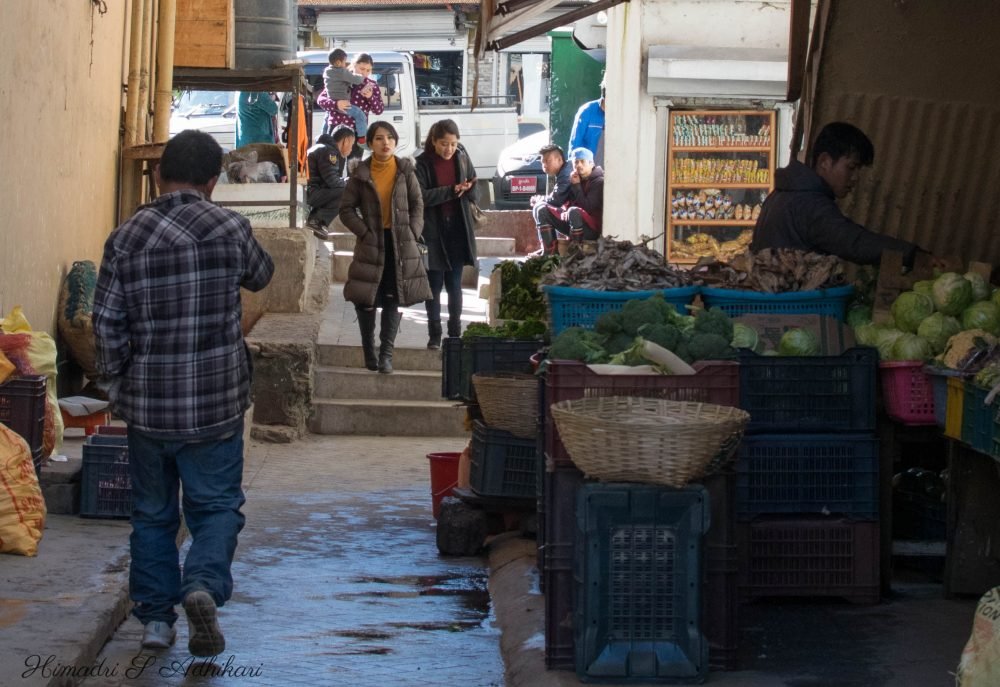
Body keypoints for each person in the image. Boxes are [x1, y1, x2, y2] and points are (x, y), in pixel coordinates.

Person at [92, 130, 275, 657]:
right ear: (213, 182)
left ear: (157, 174)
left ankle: (155, 622)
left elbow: (106, 325)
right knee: (216, 508)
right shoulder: (230, 226)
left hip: (149, 405)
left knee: (152, 514)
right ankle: (201, 586)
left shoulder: (127, 235)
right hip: (216, 402)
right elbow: (263, 276)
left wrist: (117, 384)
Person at [751, 121, 930, 266]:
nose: (855, 178)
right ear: (825, 162)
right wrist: (912, 255)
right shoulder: (808, 202)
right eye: (851, 168)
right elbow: (853, 243)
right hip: (790, 306)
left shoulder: (783, 194)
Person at [339, 121, 432, 374]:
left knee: (393, 297)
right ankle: (368, 349)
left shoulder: (405, 170)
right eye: (379, 138)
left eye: (390, 137)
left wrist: (412, 232)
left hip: (398, 244)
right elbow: (346, 209)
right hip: (371, 243)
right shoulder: (360, 173)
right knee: (365, 299)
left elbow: (417, 205)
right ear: (370, 143)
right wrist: (364, 231)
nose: (386, 143)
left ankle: (386, 354)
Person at [414, 119, 479, 348]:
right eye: (444, 144)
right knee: (433, 285)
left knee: (454, 284)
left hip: (458, 230)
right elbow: (421, 197)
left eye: (453, 143)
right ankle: (434, 335)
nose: (449, 149)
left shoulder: (461, 156)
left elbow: (474, 185)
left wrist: (470, 189)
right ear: (434, 141)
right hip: (431, 231)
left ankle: (454, 334)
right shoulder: (421, 163)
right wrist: (451, 191)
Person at [317, 53, 384, 153]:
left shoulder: (372, 85)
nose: (364, 73)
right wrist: (336, 104)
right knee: (331, 164)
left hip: (357, 132)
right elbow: (320, 100)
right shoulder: (339, 78)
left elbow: (379, 110)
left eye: (368, 70)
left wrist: (370, 97)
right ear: (353, 65)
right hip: (335, 127)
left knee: (354, 166)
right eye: (362, 69)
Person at [305, 124, 357, 240]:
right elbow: (332, 182)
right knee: (347, 192)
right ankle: (316, 221)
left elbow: (330, 179)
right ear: (345, 141)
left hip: (309, 191)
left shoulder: (323, 148)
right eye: (352, 144)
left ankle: (316, 220)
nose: (351, 149)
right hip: (311, 193)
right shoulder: (329, 152)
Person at [530, 144, 574, 255]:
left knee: (541, 209)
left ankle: (550, 253)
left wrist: (540, 199)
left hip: (579, 222)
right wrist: (542, 199)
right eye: (542, 162)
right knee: (540, 206)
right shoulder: (564, 171)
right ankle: (547, 248)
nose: (544, 165)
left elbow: (556, 200)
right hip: (573, 218)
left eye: (547, 161)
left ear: (559, 159)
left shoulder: (566, 173)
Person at [323, 48, 369, 142]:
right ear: (338, 62)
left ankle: (323, 136)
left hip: (332, 102)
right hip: (344, 104)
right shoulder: (341, 72)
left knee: (327, 118)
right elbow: (355, 80)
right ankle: (362, 137)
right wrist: (362, 77)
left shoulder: (327, 71)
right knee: (360, 115)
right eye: (344, 62)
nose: (345, 64)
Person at [568, 81, 606, 167]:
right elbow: (575, 144)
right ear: (603, 97)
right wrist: (574, 168)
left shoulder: (621, 115)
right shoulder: (586, 111)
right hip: (588, 171)